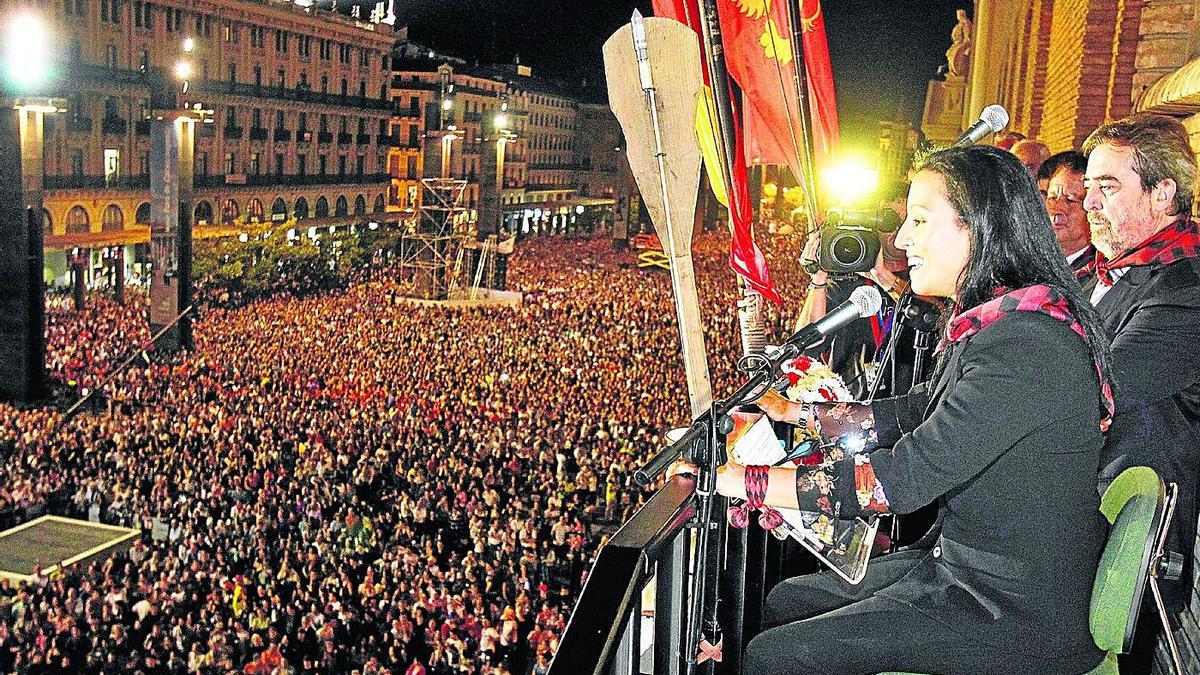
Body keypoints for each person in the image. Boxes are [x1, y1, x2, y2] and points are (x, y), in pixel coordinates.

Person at [688, 146, 1115, 674]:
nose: (903, 239)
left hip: (1013, 608)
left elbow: (902, 478)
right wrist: (800, 416)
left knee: (774, 657)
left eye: (919, 219)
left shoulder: (1026, 344)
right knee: (788, 601)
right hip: (969, 568)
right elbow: (919, 412)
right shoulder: (1007, 324)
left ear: (978, 227)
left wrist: (740, 480)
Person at [1078, 113, 1200, 667]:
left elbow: (1095, 390)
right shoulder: (1103, 274)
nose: (1088, 205)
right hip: (1078, 520)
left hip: (1125, 548)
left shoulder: (1185, 287)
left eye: (1107, 187)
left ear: (1162, 192)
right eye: (1088, 188)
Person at [796, 186, 935, 399]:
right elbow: (806, 347)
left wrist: (884, 278)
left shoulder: (928, 276)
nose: (899, 229)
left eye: (910, 219)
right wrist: (819, 278)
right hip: (851, 409)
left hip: (909, 406)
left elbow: (934, 317)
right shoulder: (847, 280)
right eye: (889, 220)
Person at [1041, 150, 1095, 271]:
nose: (1055, 208)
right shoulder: (1029, 259)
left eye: (1071, 200)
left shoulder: (1095, 272)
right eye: (1052, 197)